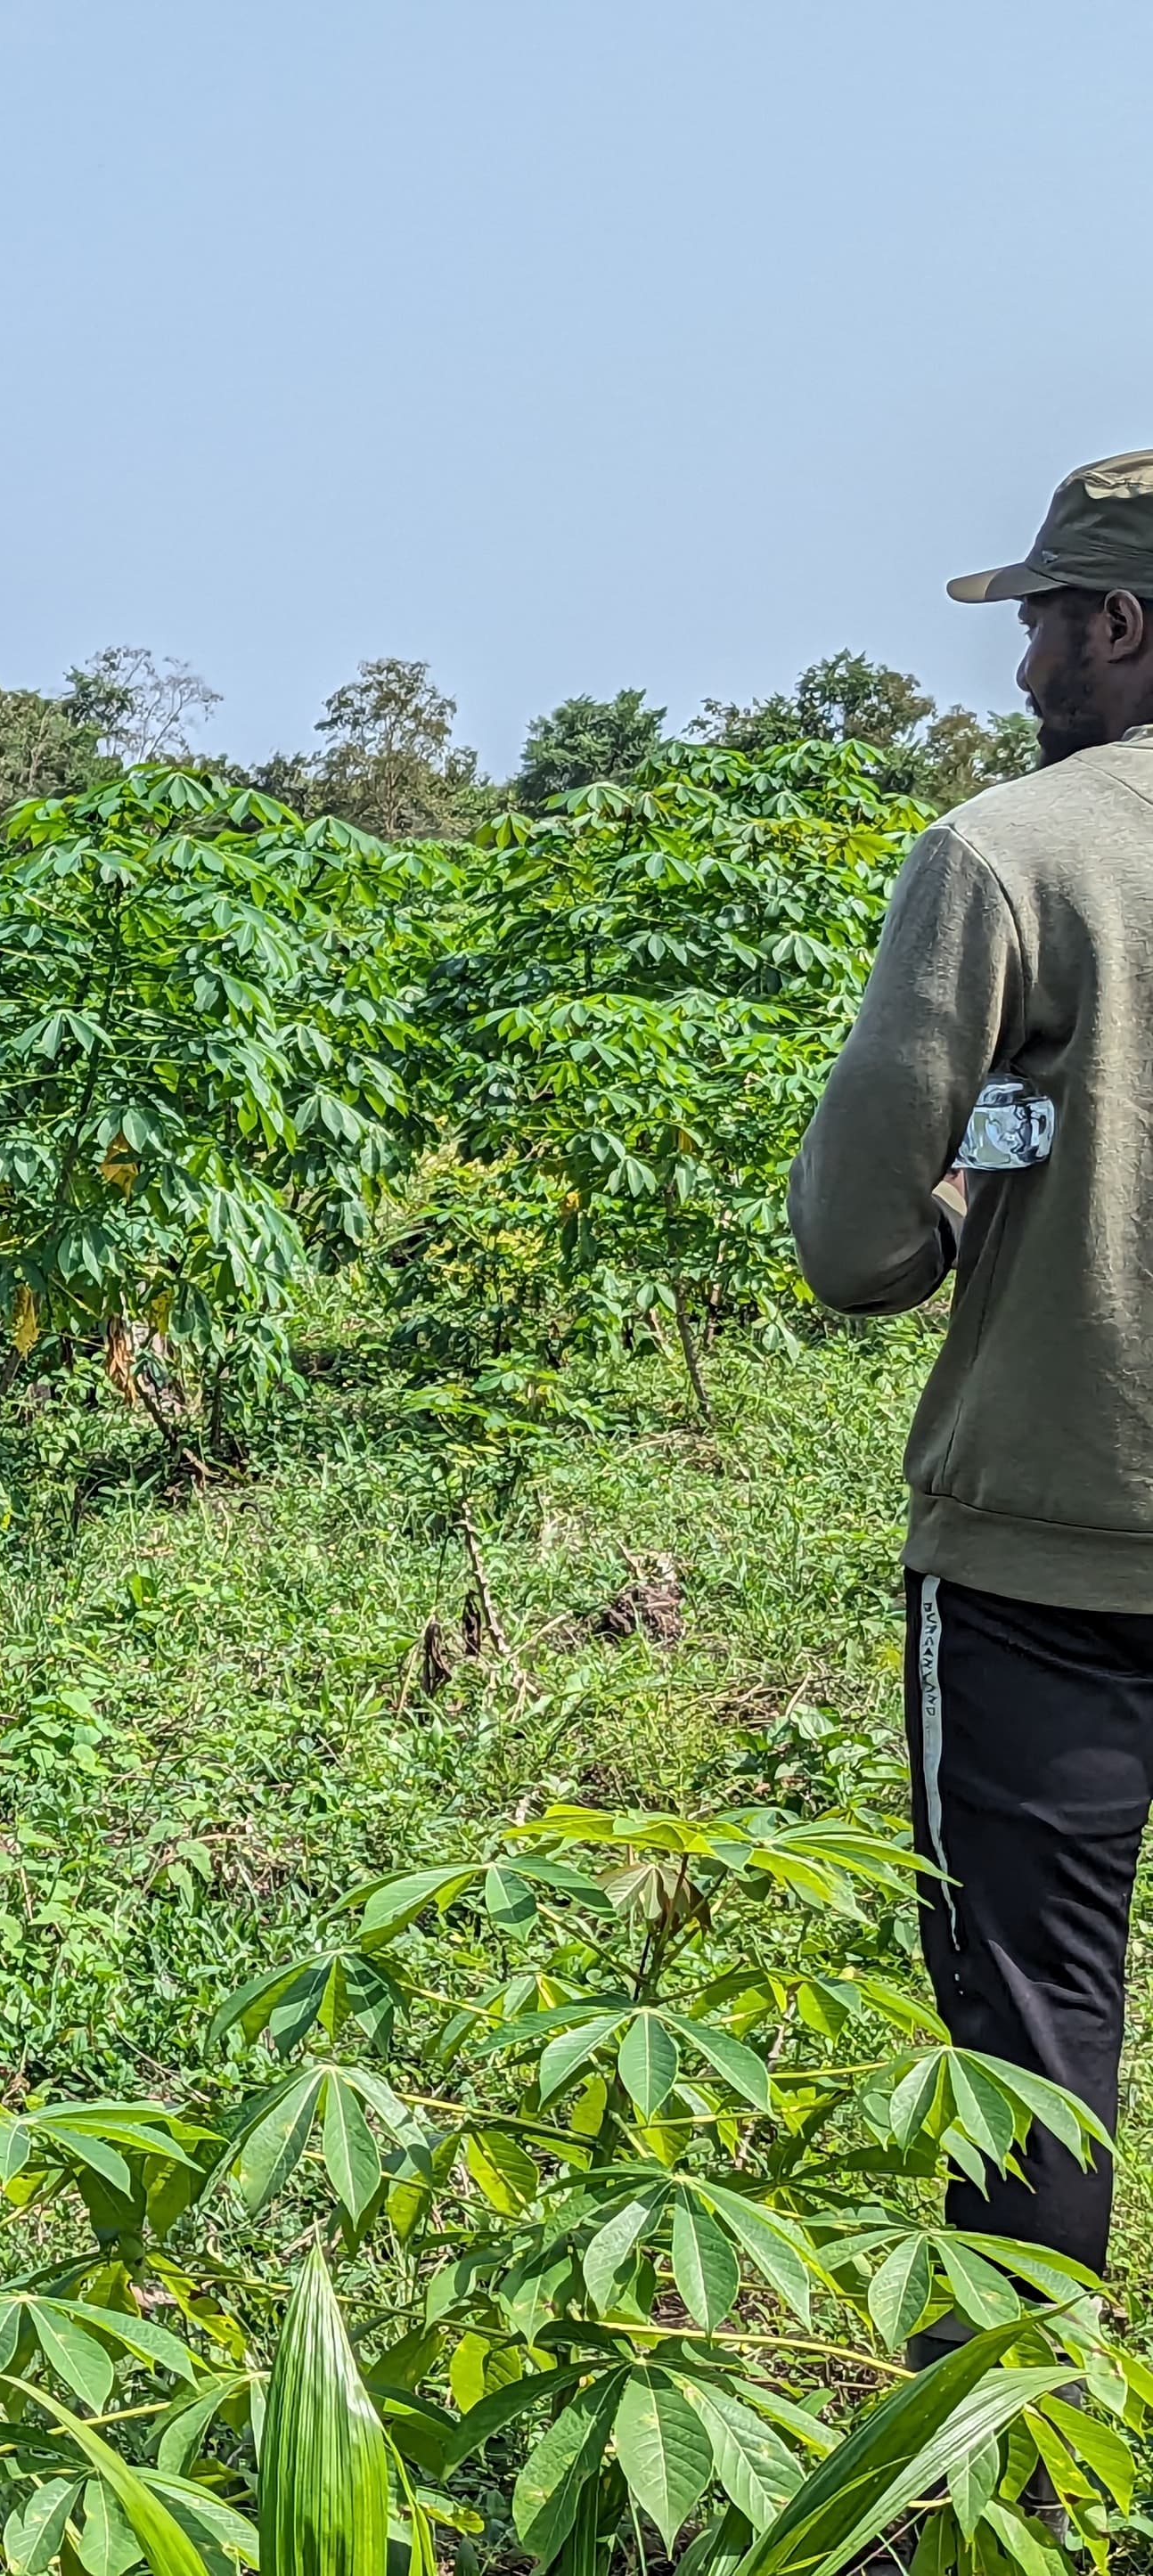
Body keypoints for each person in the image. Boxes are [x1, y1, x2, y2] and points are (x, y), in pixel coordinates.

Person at [789, 449, 1153, 2303]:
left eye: (1041, 627)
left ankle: (1008, 2485)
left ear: (1119, 623)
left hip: (1053, 1555)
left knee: (1034, 2047)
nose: (1023, 678)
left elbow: (855, 1243)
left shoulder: (1005, 854)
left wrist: (961, 1191)